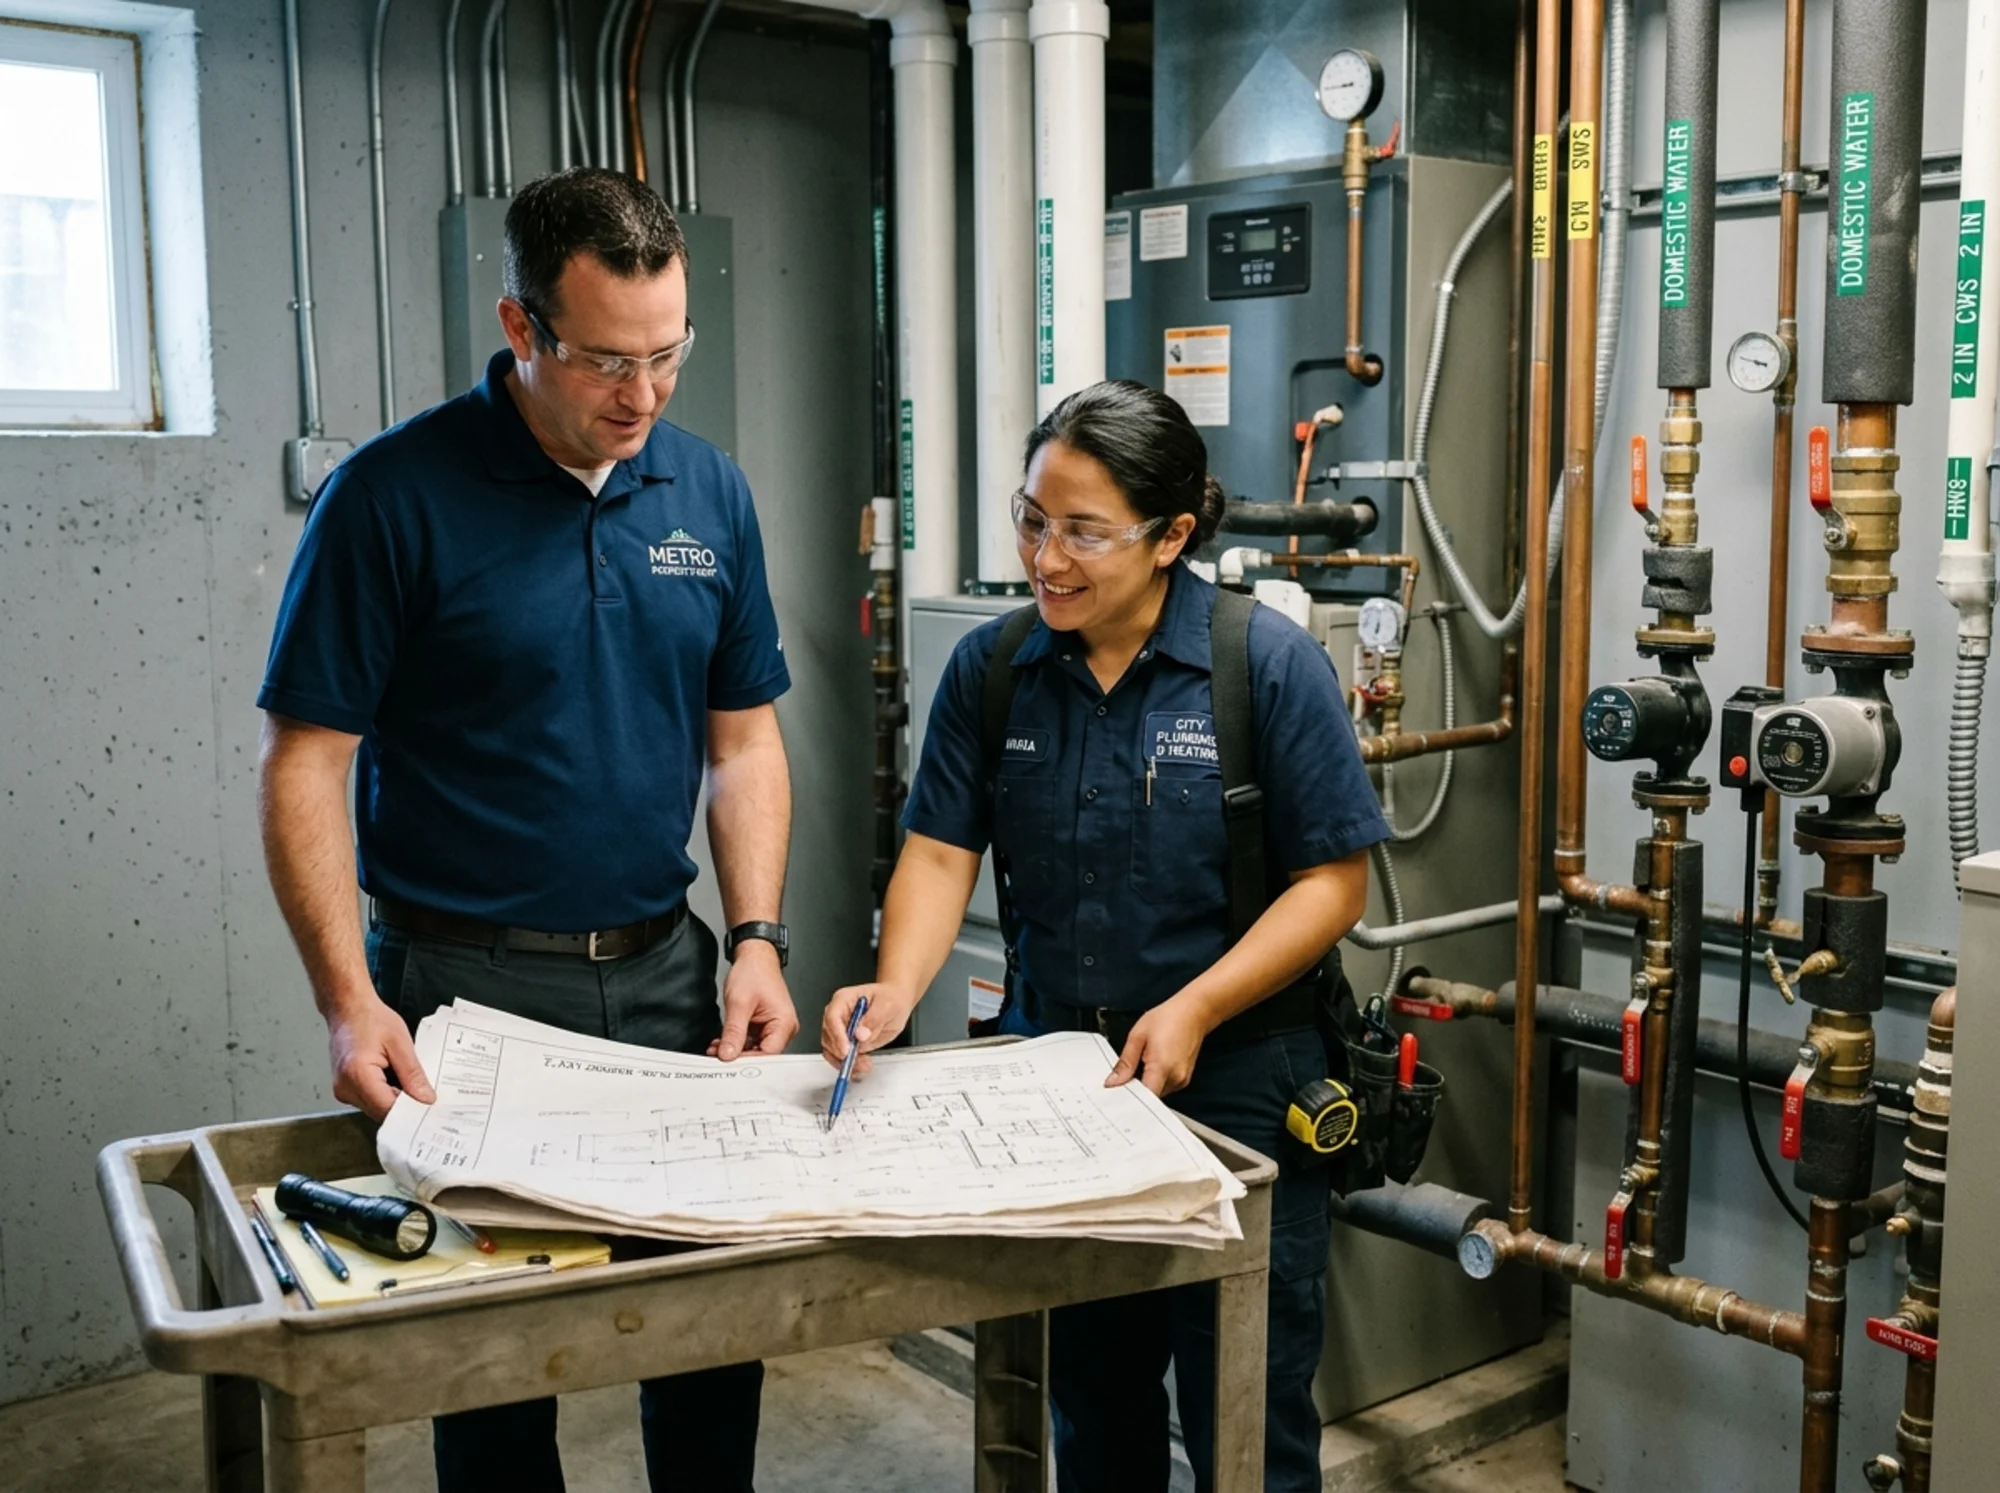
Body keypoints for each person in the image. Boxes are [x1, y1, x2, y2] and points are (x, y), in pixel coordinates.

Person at [256, 167, 794, 1493]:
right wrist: (345, 998)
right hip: (465, 988)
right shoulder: (392, 497)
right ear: (520, 327)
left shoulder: (706, 491)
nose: (644, 395)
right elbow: (305, 762)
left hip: (670, 973)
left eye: (668, 356)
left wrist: (760, 937)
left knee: (712, 1334)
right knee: (492, 1366)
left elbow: (744, 742)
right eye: (609, 361)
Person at [821, 378, 1389, 1493]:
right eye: (1033, 518)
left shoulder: (1260, 666)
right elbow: (940, 850)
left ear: (1171, 533)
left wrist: (1194, 1006)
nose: (1047, 556)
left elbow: (1332, 883)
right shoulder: (992, 671)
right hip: (1060, 1078)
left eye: (1084, 531)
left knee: (1245, 1408)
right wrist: (892, 988)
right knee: (1091, 1395)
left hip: (1235, 1075)